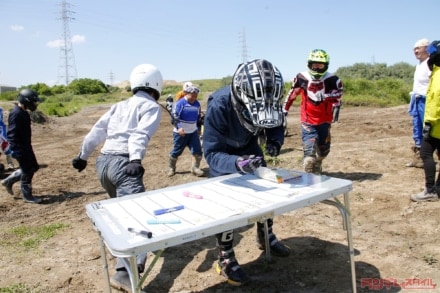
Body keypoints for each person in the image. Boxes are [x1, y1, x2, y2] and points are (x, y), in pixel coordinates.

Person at [71, 63, 163, 291]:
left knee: (123, 213)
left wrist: (83, 156)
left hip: (103, 164)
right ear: (156, 85)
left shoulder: (119, 105)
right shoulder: (151, 106)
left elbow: (98, 130)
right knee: (137, 218)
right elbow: (139, 135)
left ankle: (126, 261)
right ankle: (125, 273)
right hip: (124, 164)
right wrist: (135, 159)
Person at [203, 59, 290, 286]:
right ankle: (225, 256)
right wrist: (235, 164)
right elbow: (211, 154)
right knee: (227, 209)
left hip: (250, 149)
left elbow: (278, 123)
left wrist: (274, 141)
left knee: (266, 193)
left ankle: (266, 236)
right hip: (224, 154)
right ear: (241, 97)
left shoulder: (269, 95)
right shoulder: (219, 106)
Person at [283, 49, 343, 174]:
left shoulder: (333, 79)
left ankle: (319, 163)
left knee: (324, 151)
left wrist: (327, 96)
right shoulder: (301, 78)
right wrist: (284, 111)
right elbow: (292, 94)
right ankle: (310, 174)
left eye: (320, 65)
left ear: (325, 65)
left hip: (325, 120)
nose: (317, 68)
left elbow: (339, 94)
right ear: (309, 64)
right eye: (314, 64)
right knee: (309, 155)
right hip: (308, 121)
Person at [411, 40, 440, 202]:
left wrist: (429, 122)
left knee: (426, 153)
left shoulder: (438, 75)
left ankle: (430, 190)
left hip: (436, 124)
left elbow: (436, 101)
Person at [1, 89, 42, 203]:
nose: (35, 104)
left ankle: (8, 181)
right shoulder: (16, 114)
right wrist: (14, 149)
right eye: (33, 102)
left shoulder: (23, 112)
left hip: (26, 146)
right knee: (27, 171)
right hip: (19, 147)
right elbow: (12, 134)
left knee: (34, 167)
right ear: (26, 101)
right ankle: (27, 196)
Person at [168, 85, 204, 177]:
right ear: (186, 94)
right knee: (176, 151)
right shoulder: (179, 104)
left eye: (196, 96)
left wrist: (199, 128)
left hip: (193, 132)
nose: (194, 98)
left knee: (198, 151)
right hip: (181, 133)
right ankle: (172, 168)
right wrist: (179, 127)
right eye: (192, 95)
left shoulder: (197, 104)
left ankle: (195, 168)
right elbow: (175, 117)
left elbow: (198, 117)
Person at [406, 38, 431, 168]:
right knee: (417, 129)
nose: (416, 51)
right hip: (416, 99)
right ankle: (419, 158)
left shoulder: (430, 63)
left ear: (426, 48)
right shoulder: (419, 64)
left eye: (418, 48)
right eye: (414, 49)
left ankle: (431, 158)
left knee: (428, 129)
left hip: (426, 100)